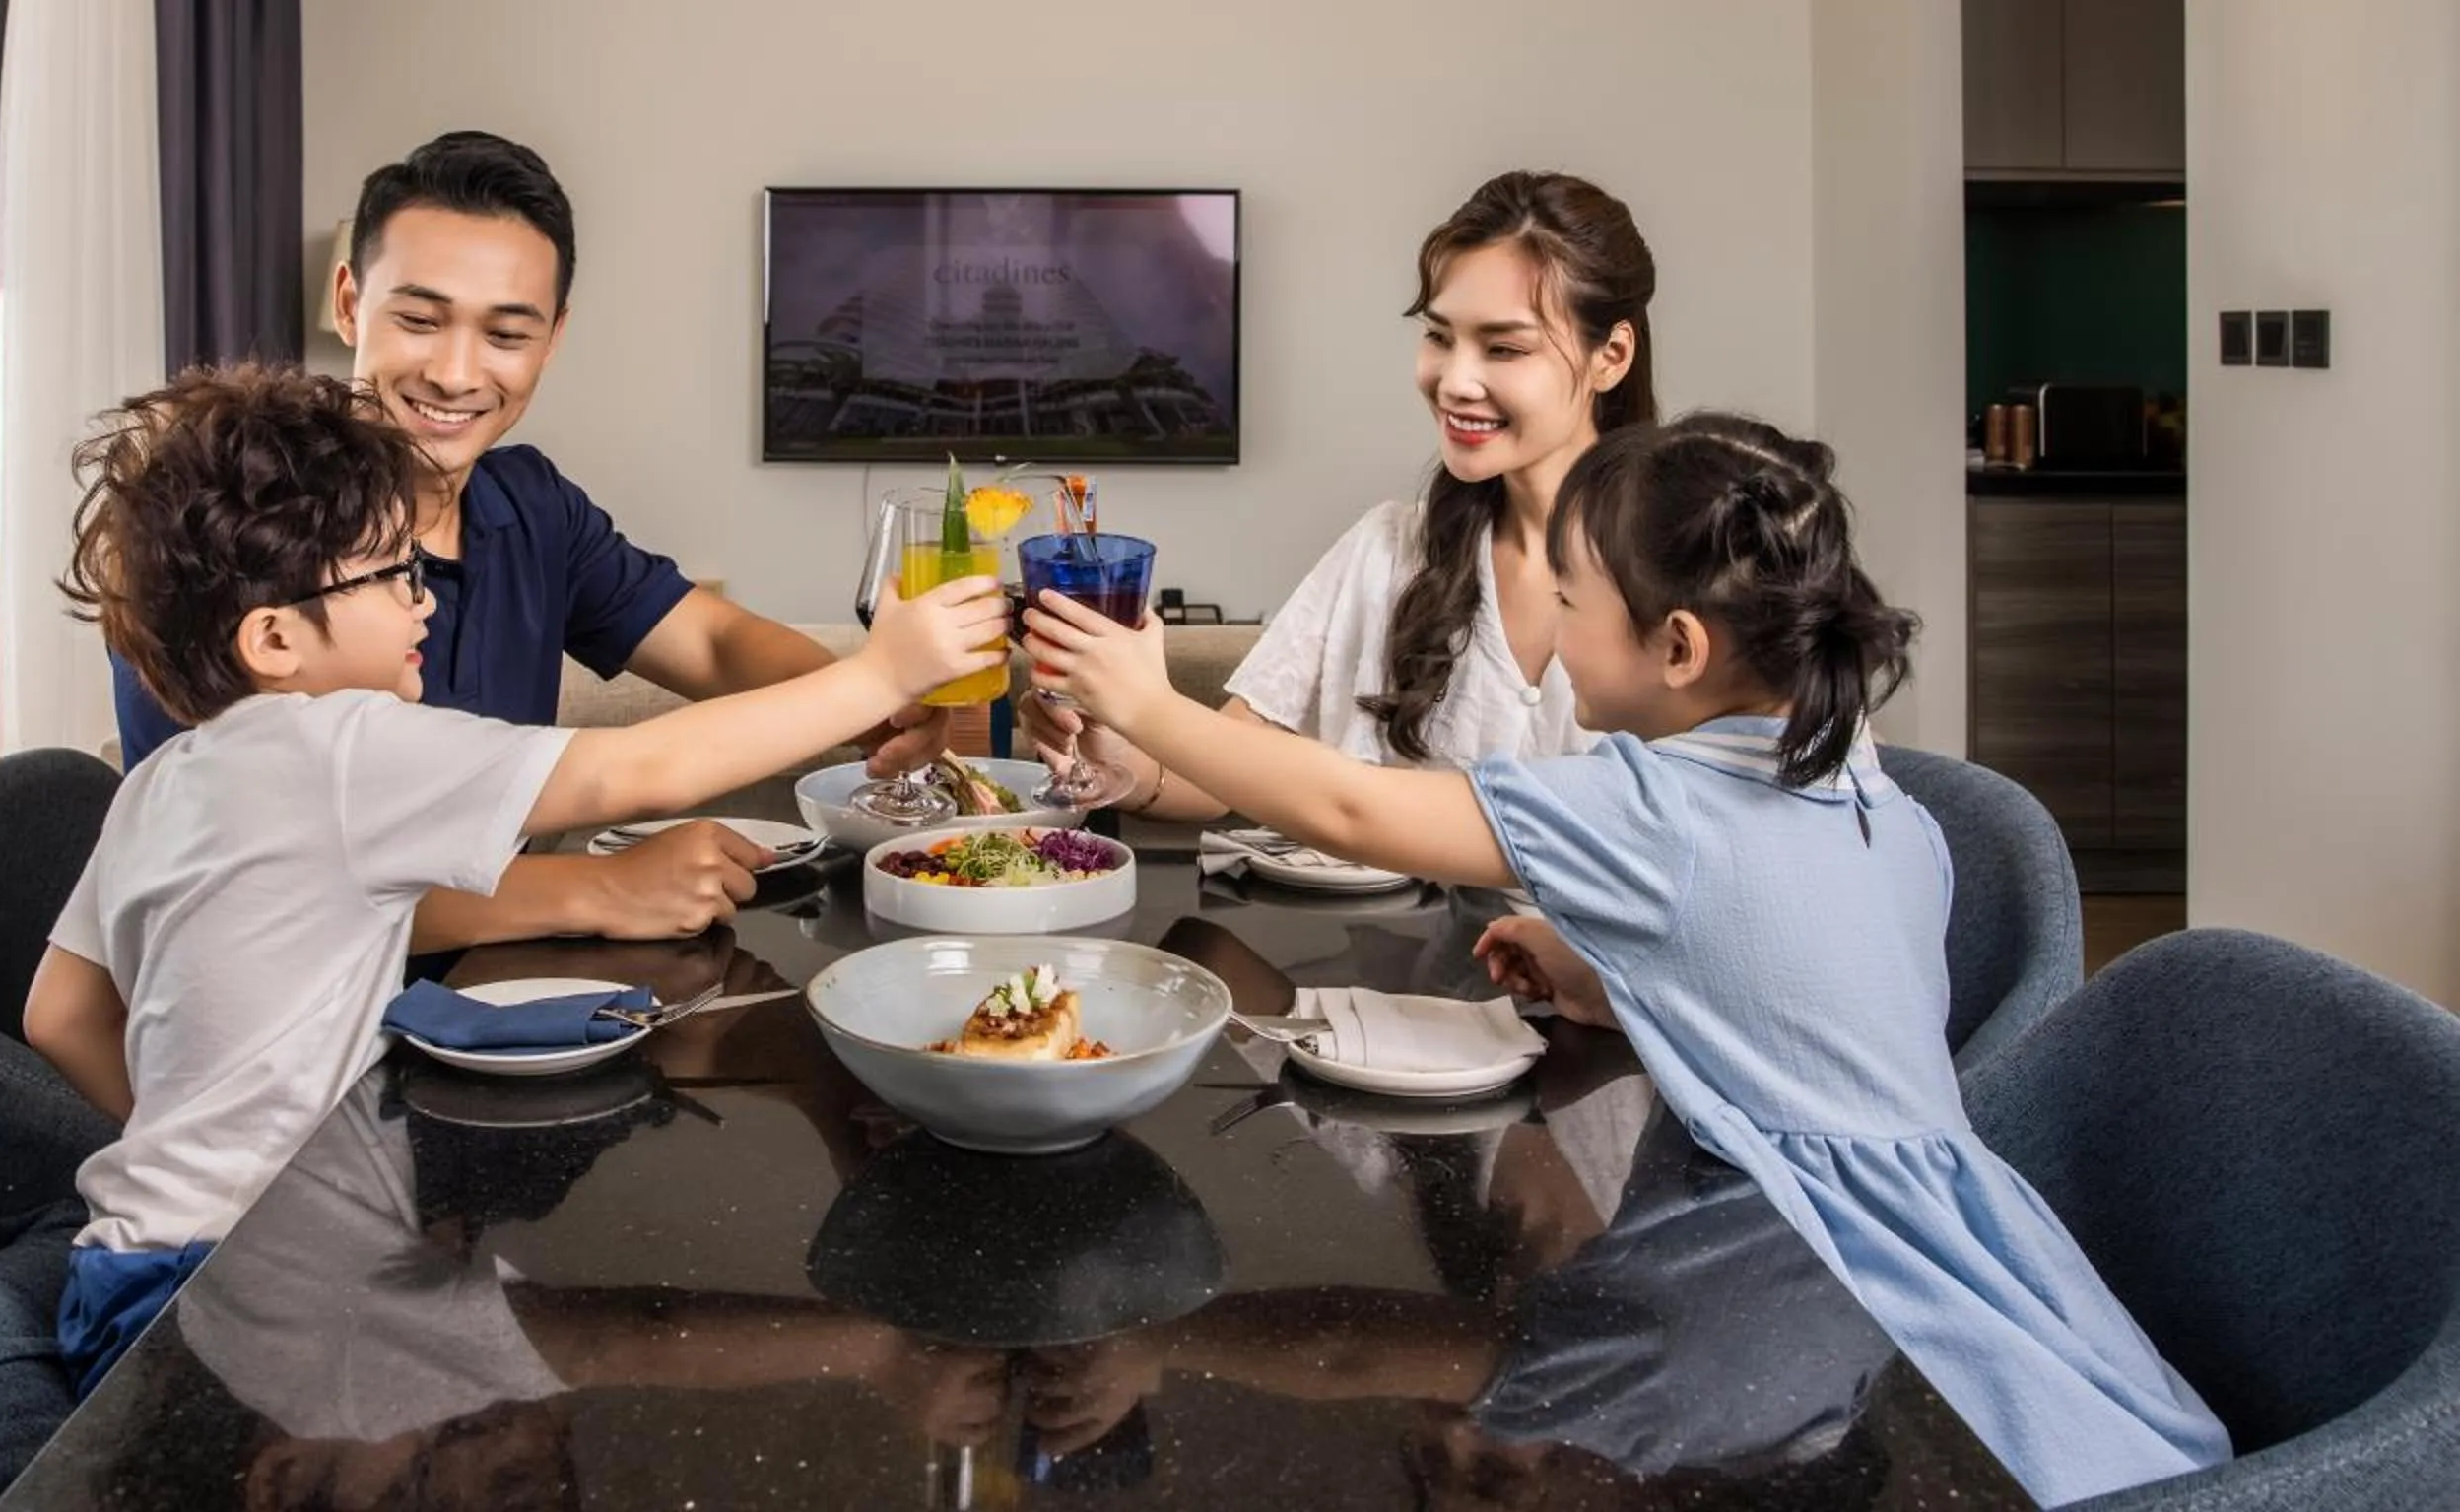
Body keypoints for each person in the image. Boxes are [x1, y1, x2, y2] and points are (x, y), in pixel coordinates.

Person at [1023, 412, 2229, 1507]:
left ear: (1679, 645)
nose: (1549, 630)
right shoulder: (1862, 784)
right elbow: (1801, 981)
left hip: (1793, 1270)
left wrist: (1149, 702)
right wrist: (1617, 970)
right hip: (1966, 1272)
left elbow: (1351, 809)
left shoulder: (1650, 806)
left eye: (1569, 601)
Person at [27, 364, 1004, 1395]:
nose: (423, 601)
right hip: (254, 1297)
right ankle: (882, 1349)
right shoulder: (343, 747)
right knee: (599, 1341)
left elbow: (61, 1014)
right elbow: (640, 769)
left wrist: (200, 1164)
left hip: (123, 1271)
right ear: (273, 638)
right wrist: (880, 674)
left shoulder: (160, 782)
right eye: (390, 577)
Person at [114, 130, 948, 950]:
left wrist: (876, 711)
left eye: (507, 335)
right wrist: (593, 888)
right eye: (420, 319)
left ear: (553, 337)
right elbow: (233, 881)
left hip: (515, 990)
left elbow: (712, 642)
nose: (455, 374)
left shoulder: (530, 504)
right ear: (348, 302)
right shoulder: (226, 528)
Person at [1028, 171, 1655, 831]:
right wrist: (1112, 745)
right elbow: (1220, 776)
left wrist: (1150, 706)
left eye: (1504, 348)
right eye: (1440, 337)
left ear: (1611, 356)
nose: (1455, 381)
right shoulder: (1387, 550)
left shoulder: (1685, 575)